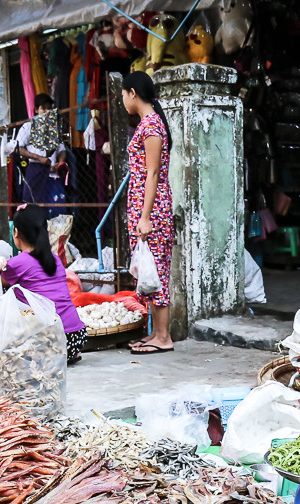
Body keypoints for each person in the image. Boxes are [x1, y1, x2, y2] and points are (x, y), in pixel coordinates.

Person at [0, 206, 88, 363]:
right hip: (77, 336)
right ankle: (69, 355)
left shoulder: (16, 263)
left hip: (52, 340)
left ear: (16, 233)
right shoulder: (55, 259)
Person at [121, 71, 175, 355]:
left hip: (152, 210)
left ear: (132, 93)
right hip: (146, 206)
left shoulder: (152, 126)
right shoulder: (147, 124)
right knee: (149, 271)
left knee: (157, 271)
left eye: (122, 94)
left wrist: (145, 216)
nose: (122, 99)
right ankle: (156, 333)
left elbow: (153, 173)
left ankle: (163, 337)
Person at [16, 94, 68, 207]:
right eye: (43, 108)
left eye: (49, 108)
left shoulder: (54, 128)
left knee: (57, 207)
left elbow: (62, 149)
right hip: (36, 170)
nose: (46, 111)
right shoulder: (28, 126)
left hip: (53, 172)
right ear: (36, 110)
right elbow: (18, 149)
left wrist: (60, 162)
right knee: (34, 206)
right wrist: (39, 158)